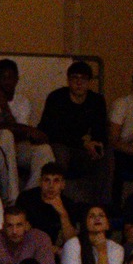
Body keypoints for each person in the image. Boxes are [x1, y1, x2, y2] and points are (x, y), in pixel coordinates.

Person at [0, 59, 55, 202]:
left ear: (17, 79)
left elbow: (20, 135)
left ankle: (29, 199)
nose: (7, 82)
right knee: (5, 135)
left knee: (44, 150)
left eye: (11, 78)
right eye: (3, 78)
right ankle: (12, 199)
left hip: (10, 146)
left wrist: (6, 109)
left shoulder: (23, 101)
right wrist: (28, 130)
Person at [37, 60, 109, 188]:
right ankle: (59, 195)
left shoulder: (96, 101)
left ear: (90, 82)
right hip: (59, 144)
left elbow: (100, 129)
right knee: (60, 152)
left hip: (80, 147)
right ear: (68, 81)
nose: (79, 83)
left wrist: (97, 144)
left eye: (84, 79)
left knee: (107, 154)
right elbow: (51, 131)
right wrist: (83, 143)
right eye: (75, 78)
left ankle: (103, 203)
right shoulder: (57, 98)